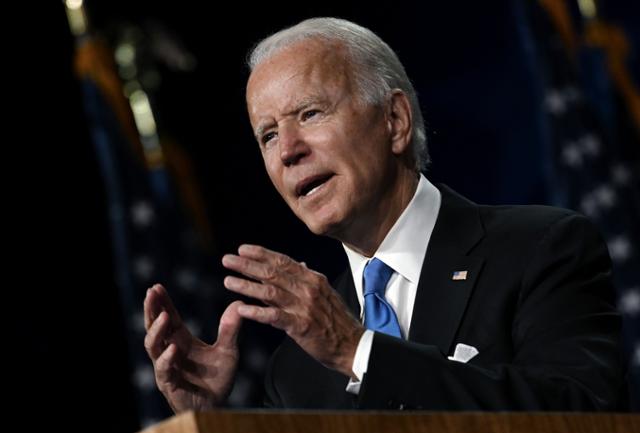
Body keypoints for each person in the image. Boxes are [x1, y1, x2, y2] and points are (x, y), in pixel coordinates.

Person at [143, 17, 626, 412]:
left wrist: (359, 353)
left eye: (309, 113)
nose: (287, 150)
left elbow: (579, 412)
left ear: (394, 122)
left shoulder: (540, 250)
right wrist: (207, 424)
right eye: (267, 135)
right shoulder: (296, 367)